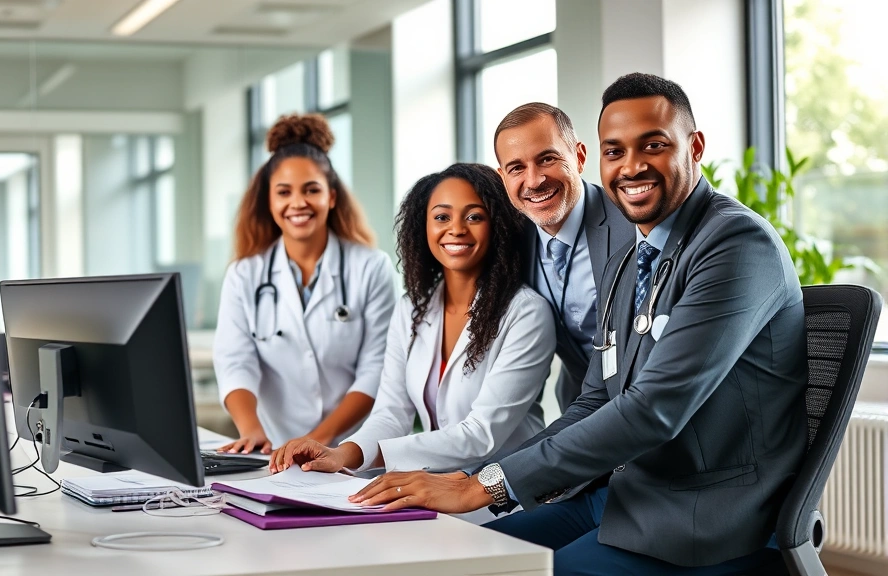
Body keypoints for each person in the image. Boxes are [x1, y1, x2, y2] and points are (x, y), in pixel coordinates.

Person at [346, 73, 807, 575]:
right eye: (617, 151)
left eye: (653, 145)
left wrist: (485, 484)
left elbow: (654, 409)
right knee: (456, 557)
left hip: (703, 510)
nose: (632, 166)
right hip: (626, 489)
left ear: (694, 146)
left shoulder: (736, 243)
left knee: (516, 570)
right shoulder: (637, 254)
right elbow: (594, 397)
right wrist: (483, 477)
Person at [270, 163, 554, 474]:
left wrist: (351, 457)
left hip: (506, 496)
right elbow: (392, 412)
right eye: (441, 217)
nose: (456, 229)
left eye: (474, 216)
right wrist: (339, 454)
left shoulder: (526, 313)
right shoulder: (412, 308)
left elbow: (480, 435)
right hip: (434, 485)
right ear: (424, 227)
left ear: (498, 226)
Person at [214, 113, 396, 453]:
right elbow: (235, 361)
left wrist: (321, 438)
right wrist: (251, 431)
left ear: (332, 196)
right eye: (284, 192)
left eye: (311, 190)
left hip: (353, 450)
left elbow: (377, 370)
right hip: (274, 451)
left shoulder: (372, 267)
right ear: (269, 201)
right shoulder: (245, 274)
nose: (298, 203)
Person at [495, 103, 634, 412]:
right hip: (578, 408)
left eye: (547, 158)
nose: (533, 181)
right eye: (517, 168)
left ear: (580, 156)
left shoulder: (634, 224)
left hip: (652, 410)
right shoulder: (510, 241)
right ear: (502, 177)